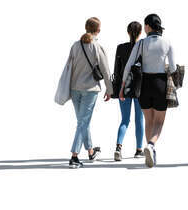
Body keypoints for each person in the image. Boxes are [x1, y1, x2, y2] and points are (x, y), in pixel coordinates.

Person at [120, 14, 176, 167]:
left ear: (148, 26)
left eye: (145, 25)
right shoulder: (167, 43)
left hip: (144, 85)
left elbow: (129, 66)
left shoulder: (141, 44)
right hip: (160, 84)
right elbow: (173, 68)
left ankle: (149, 151)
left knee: (148, 120)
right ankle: (151, 146)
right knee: (159, 121)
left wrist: (123, 87)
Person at [67, 17, 113, 168]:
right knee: (82, 122)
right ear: (98, 30)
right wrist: (109, 89)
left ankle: (91, 152)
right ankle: (74, 156)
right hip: (90, 90)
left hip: (74, 89)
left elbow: (69, 68)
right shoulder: (96, 46)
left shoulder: (75, 45)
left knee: (82, 122)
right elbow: (106, 70)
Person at [113, 22, 145, 161]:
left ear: (127, 32)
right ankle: (139, 150)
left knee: (125, 120)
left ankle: (118, 148)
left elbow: (116, 70)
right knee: (140, 120)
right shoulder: (143, 47)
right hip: (140, 87)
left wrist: (115, 88)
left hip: (123, 87)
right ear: (141, 32)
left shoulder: (121, 48)